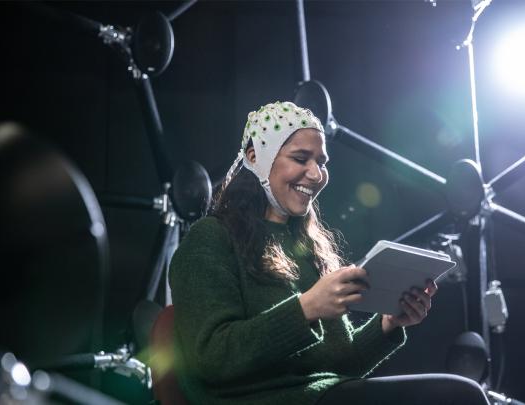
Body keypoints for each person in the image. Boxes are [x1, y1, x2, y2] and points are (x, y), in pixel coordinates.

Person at [169, 101, 489, 405]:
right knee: (459, 397)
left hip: (320, 396)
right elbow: (211, 359)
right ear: (255, 157)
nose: (316, 173)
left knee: (461, 395)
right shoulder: (210, 239)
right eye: (300, 158)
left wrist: (389, 324)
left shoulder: (307, 249)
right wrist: (306, 308)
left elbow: (341, 365)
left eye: (321, 162)